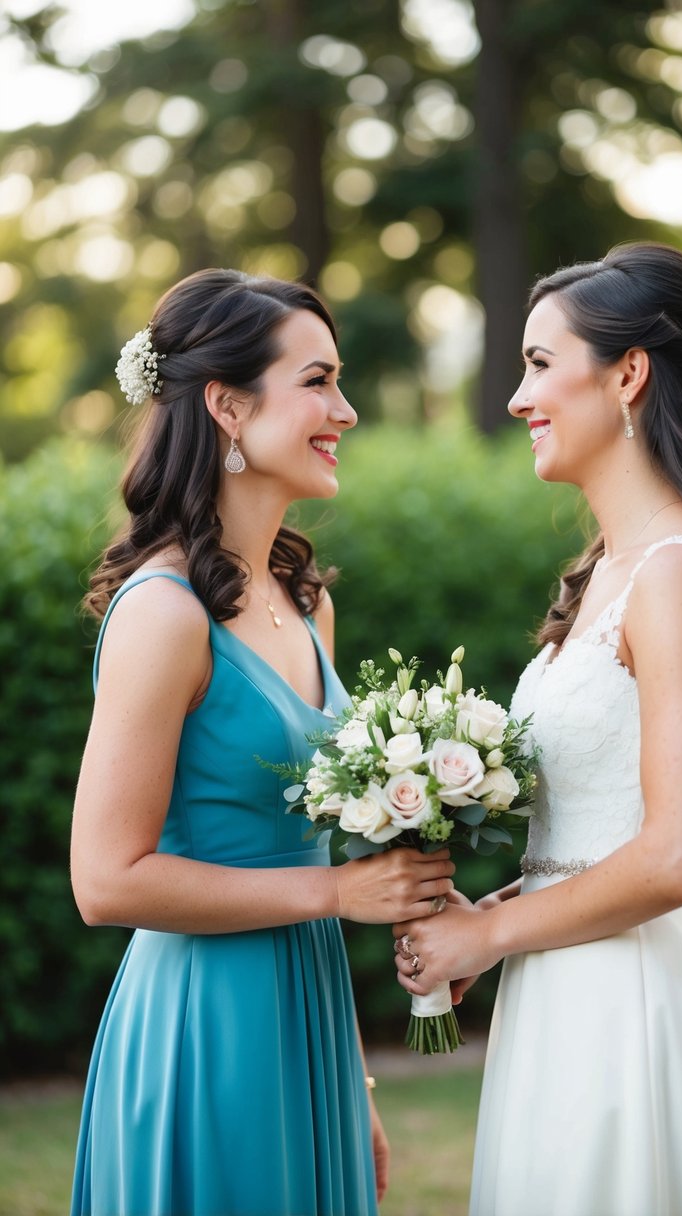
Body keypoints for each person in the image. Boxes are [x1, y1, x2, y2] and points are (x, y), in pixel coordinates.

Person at [393, 243, 682, 1215]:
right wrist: (481, 926)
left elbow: (677, 856)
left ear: (627, 373)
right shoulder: (607, 572)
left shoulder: (674, 573)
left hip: (628, 1003)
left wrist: (490, 931)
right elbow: (594, 837)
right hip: (561, 989)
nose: (515, 397)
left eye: (540, 364)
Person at [69, 268, 455, 1216]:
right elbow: (105, 879)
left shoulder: (309, 604)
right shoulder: (163, 614)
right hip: (203, 1021)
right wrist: (336, 892)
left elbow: (321, 837)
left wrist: (352, 1083)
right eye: (317, 382)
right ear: (228, 405)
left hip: (308, 1014)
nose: (347, 410)